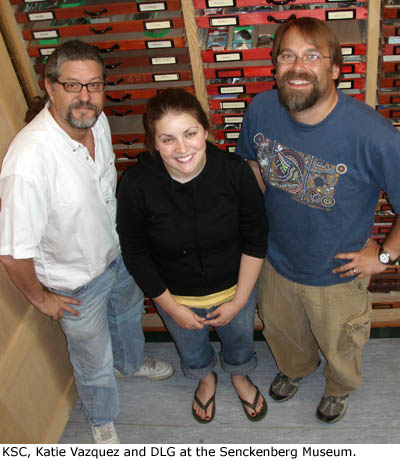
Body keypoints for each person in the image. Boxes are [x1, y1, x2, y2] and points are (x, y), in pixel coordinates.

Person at [0, 40, 173, 444]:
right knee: (92, 361)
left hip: (118, 256)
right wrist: (42, 300)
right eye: (73, 85)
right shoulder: (28, 162)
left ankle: (129, 365)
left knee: (129, 320)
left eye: (94, 85)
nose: (85, 96)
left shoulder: (95, 121)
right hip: (76, 285)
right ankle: (100, 417)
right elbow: (11, 252)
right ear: (50, 86)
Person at [235, 17, 400, 423]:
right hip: (275, 263)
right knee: (283, 333)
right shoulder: (260, 110)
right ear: (275, 66)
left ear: (335, 70)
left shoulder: (375, 135)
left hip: (337, 274)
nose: (298, 66)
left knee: (341, 345)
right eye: (287, 55)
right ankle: (295, 370)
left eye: (312, 56)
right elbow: (251, 166)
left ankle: (339, 387)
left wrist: (384, 257)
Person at [116, 88, 268, 423]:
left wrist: (240, 300)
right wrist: (172, 308)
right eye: (168, 139)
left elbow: (256, 238)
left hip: (235, 288)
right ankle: (204, 377)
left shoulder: (234, 172)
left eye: (190, 134)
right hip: (174, 296)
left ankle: (239, 374)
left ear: (206, 132)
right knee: (191, 347)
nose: (182, 149)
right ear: (154, 143)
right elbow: (136, 252)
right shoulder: (136, 185)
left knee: (240, 338)